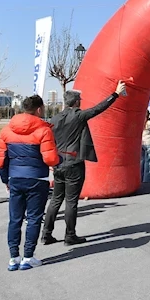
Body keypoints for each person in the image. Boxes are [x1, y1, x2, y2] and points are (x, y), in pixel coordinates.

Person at [42, 80, 126, 246]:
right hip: (73, 163)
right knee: (71, 201)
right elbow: (98, 108)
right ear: (76, 102)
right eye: (79, 100)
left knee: (55, 200)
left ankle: (46, 234)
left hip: (58, 164)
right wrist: (115, 94)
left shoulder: (55, 119)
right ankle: (70, 235)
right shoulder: (78, 115)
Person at [0, 95, 60, 271]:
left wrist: (5, 180)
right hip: (37, 180)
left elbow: (1, 161)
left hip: (15, 179)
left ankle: (13, 258)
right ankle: (28, 256)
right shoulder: (44, 130)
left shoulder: (7, 130)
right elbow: (50, 158)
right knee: (33, 219)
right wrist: (59, 159)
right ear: (39, 109)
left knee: (14, 220)